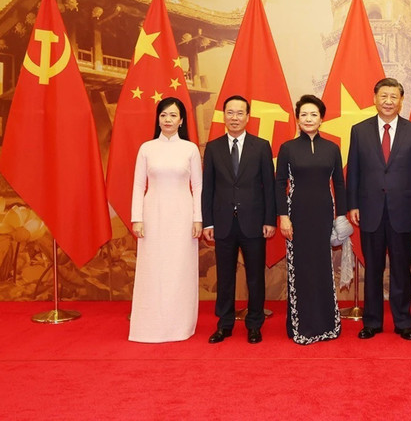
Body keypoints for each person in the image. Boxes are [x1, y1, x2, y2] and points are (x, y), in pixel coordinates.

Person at [346, 77, 411, 340]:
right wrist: (352, 204)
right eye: (383, 96)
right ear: (374, 99)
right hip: (370, 211)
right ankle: (371, 322)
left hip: (403, 212)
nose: (388, 101)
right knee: (373, 268)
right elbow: (354, 172)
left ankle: (403, 322)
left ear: (401, 100)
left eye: (393, 96)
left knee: (400, 269)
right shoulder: (359, 130)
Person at [202, 95, 276, 344]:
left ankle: (255, 324)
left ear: (247, 116)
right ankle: (224, 324)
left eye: (239, 113)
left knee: (255, 276)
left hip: (254, 222)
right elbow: (208, 188)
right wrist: (208, 222)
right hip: (223, 223)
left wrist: (269, 220)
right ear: (224, 115)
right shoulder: (213, 147)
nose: (234, 118)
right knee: (225, 277)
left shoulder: (261, 146)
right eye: (230, 113)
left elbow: (269, 187)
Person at [129, 97, 203, 343]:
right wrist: (137, 218)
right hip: (153, 215)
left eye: (173, 115)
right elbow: (139, 185)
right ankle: (150, 324)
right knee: (154, 268)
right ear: (158, 119)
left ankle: (180, 325)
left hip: (182, 216)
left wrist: (198, 219)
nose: (167, 120)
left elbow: (198, 187)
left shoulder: (190, 149)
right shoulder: (147, 148)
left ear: (181, 120)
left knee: (180, 268)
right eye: (163, 115)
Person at [276, 95, 347, 344]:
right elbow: (279, 184)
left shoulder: (332, 148)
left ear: (321, 119)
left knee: (323, 269)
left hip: (323, 215)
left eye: (313, 114)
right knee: (301, 269)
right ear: (297, 119)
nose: (309, 119)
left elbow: (339, 183)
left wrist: (341, 217)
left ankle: (327, 324)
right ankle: (301, 326)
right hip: (297, 216)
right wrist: (283, 217)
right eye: (304, 114)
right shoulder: (288, 148)